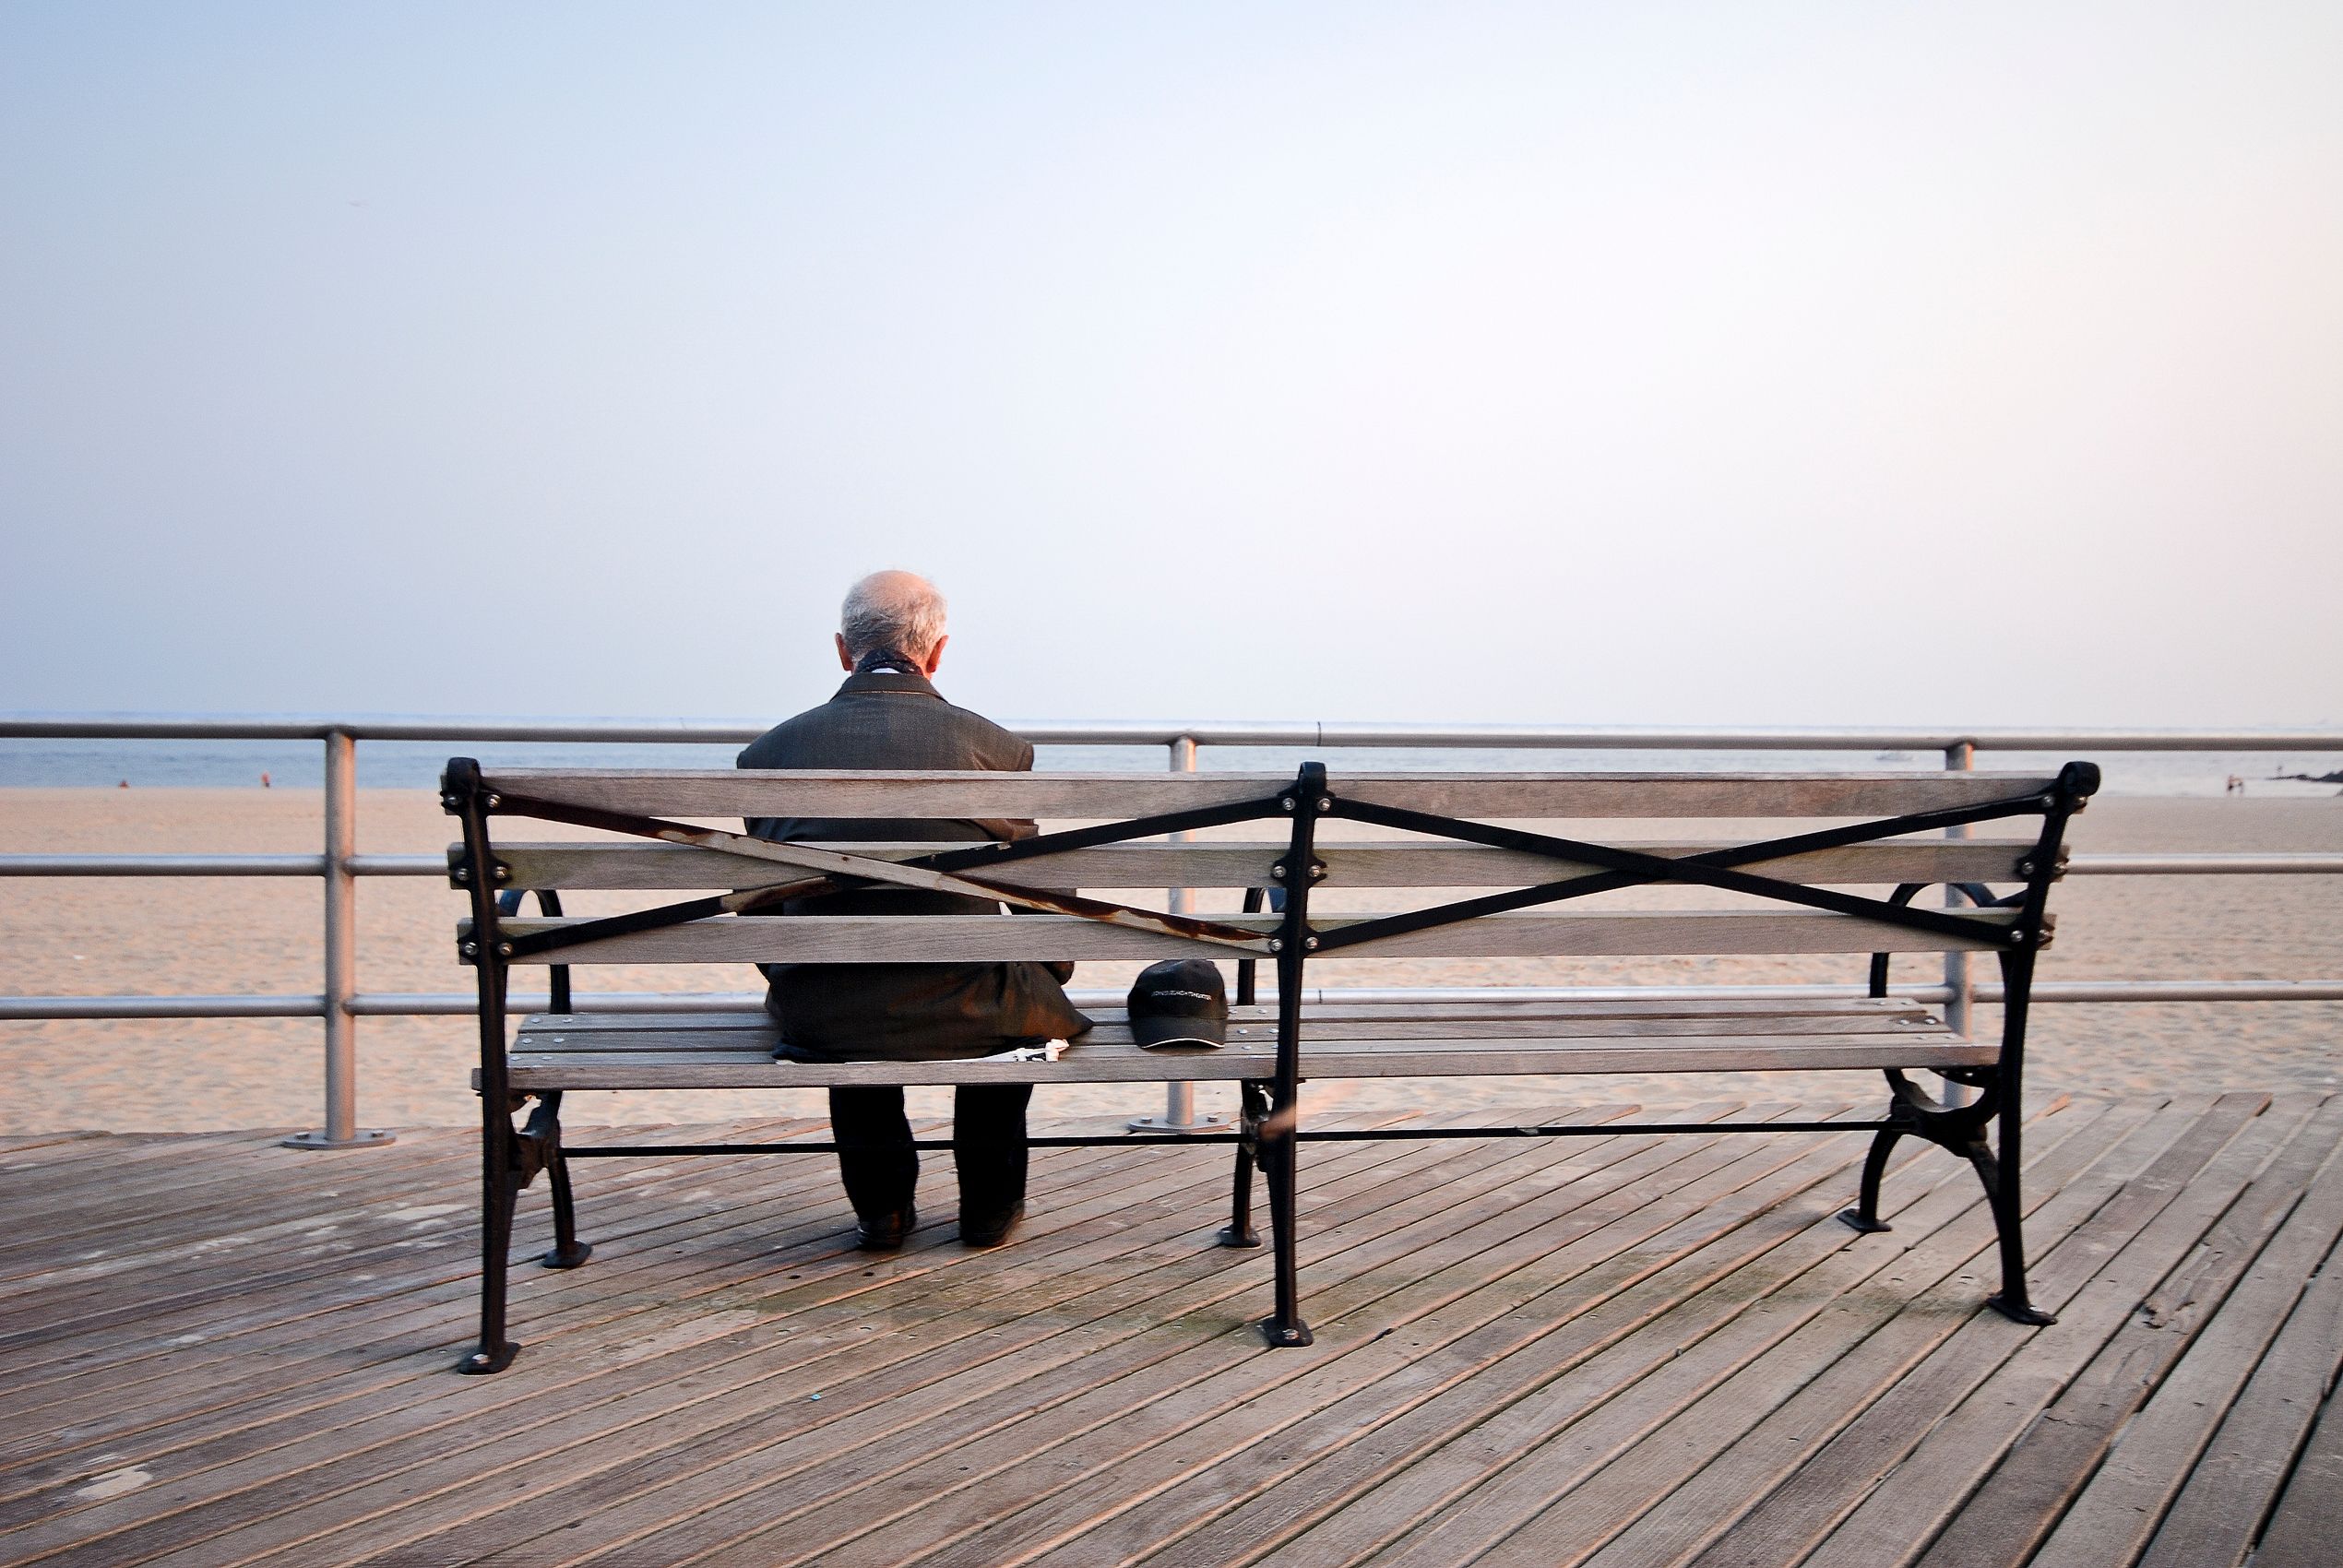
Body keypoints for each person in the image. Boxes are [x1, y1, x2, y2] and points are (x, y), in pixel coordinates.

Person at [737, 570, 1091, 1252]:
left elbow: (757, 908)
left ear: (844, 650)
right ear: (937, 651)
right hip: (972, 1003)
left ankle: (884, 1212)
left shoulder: (770, 755)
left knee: (848, 992)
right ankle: (988, 1211)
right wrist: (1053, 967)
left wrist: (792, 967)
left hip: (826, 1006)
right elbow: (1046, 893)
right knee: (1012, 1014)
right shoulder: (995, 750)